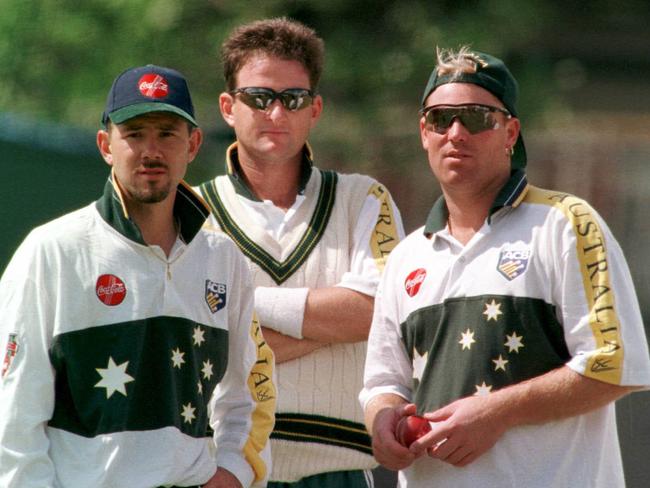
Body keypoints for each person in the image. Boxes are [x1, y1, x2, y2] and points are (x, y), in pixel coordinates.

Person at [360, 46, 650, 487]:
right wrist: (381, 423)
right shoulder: (405, 257)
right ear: (424, 131)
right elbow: (383, 381)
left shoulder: (565, 224)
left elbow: (617, 364)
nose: (455, 132)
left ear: (510, 131)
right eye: (440, 119)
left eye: (476, 118)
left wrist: (496, 412)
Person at [0, 64, 276, 488]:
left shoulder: (224, 260)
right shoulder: (52, 251)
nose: (151, 150)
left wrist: (234, 472)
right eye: (134, 134)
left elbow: (247, 393)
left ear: (193, 144)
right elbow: (12, 416)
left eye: (167, 133)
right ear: (105, 145)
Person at [196, 18, 404, 488]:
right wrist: (336, 324)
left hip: (341, 469)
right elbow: (194, 344)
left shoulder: (364, 199)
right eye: (258, 97)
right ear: (228, 107)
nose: (276, 112)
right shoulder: (191, 212)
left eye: (293, 99)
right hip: (223, 468)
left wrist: (239, 303)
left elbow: (379, 312)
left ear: (315, 109)